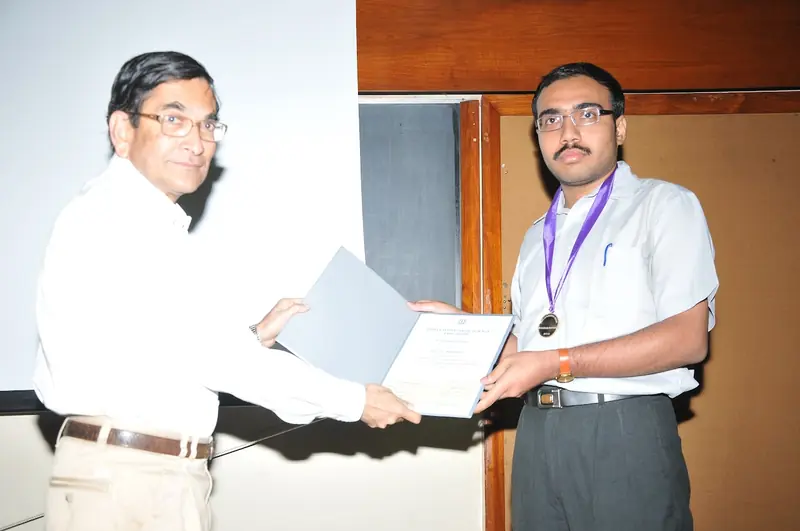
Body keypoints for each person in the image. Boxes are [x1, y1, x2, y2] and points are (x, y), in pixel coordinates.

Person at [33, 50, 421, 531]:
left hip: (142, 476)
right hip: (129, 481)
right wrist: (356, 401)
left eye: (208, 124)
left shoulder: (139, 218)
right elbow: (215, 358)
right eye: (174, 119)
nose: (196, 142)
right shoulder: (122, 222)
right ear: (122, 130)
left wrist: (256, 335)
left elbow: (160, 350)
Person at [411, 62, 718, 531]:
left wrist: (556, 362)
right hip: (538, 433)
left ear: (619, 126)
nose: (567, 131)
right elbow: (530, 351)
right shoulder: (538, 237)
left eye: (587, 113)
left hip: (623, 429)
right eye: (550, 119)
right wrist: (461, 326)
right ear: (538, 138)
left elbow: (687, 339)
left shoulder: (664, 205)